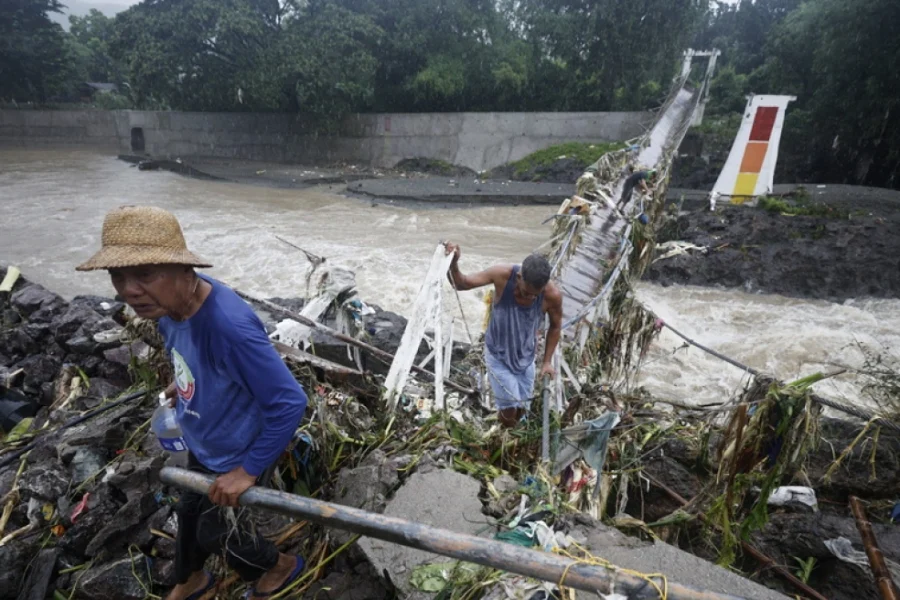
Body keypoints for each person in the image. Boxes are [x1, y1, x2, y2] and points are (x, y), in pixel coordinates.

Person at [76, 206, 308, 600]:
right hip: (205, 439)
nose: (129, 290)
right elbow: (185, 350)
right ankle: (192, 579)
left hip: (240, 448)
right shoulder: (167, 307)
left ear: (185, 272)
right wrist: (181, 384)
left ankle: (280, 565)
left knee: (217, 531)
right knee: (187, 514)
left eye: (145, 275)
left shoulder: (228, 328)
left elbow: (289, 403)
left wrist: (248, 471)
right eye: (118, 276)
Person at [443, 244, 563, 427]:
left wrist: (546, 362)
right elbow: (461, 283)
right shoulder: (502, 276)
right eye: (526, 292)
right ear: (519, 278)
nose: (530, 298)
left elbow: (555, 327)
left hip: (526, 356)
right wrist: (453, 263)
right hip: (497, 354)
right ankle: (504, 438)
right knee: (508, 409)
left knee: (523, 406)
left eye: (535, 295)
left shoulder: (552, 295)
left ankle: (515, 435)